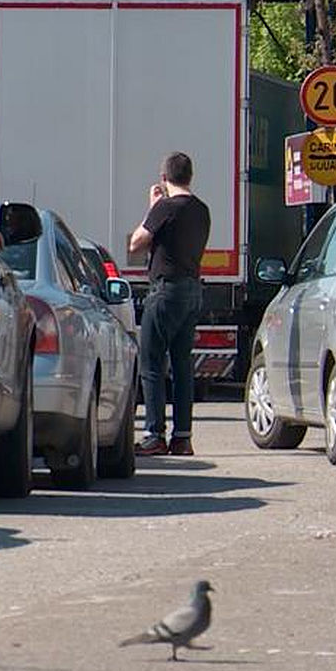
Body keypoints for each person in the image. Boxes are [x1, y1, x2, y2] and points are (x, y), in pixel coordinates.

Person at [128, 152, 210, 456]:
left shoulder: (165, 207)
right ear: (190, 176)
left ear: (165, 177)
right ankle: (183, 437)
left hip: (165, 291)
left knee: (151, 363)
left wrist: (152, 209)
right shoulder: (201, 210)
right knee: (181, 364)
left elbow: (137, 242)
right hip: (192, 290)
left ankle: (153, 434)